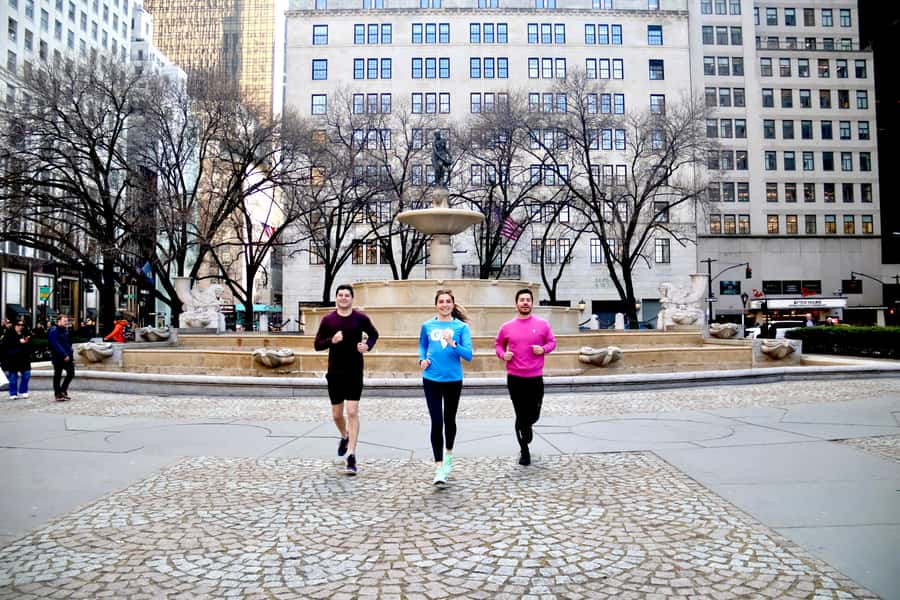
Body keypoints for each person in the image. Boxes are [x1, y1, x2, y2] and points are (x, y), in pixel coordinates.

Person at [313, 284, 379, 476]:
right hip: (335, 372)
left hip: (354, 370)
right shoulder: (328, 320)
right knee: (336, 414)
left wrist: (367, 345)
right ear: (336, 298)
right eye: (340, 295)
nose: (343, 298)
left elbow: (374, 334)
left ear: (352, 298)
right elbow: (317, 345)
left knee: (352, 412)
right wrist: (331, 341)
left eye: (346, 295)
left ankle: (351, 455)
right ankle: (344, 435)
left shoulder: (360, 318)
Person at [495, 289, 557, 466]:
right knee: (520, 414)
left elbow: (552, 342)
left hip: (535, 377)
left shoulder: (543, 324)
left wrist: (543, 349)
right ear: (516, 304)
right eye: (522, 300)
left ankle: (529, 425)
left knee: (534, 413)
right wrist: (502, 354)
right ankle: (524, 451)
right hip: (515, 377)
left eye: (528, 300)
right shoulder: (507, 327)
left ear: (532, 303)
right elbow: (499, 344)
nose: (525, 303)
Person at [418, 289, 473, 485]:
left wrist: (453, 343)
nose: (444, 304)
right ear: (436, 305)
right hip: (431, 379)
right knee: (436, 422)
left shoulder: (461, 328)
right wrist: (421, 360)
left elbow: (468, 355)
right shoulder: (427, 325)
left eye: (448, 301)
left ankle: (448, 453)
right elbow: (422, 345)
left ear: (452, 304)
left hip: (453, 379)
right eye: (441, 301)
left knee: (449, 420)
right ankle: (439, 467)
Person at [1, 321, 32, 400]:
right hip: (13, 358)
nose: (21, 326)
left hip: (24, 358)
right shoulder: (9, 334)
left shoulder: (25, 333)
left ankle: (23, 390)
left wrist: (27, 342)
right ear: (15, 325)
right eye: (19, 325)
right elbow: (5, 345)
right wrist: (18, 342)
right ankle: (13, 393)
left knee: (27, 374)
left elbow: (30, 343)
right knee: (13, 376)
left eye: (22, 325)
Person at [48, 315, 75, 401]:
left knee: (71, 373)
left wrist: (70, 354)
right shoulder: (54, 330)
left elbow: (68, 343)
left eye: (66, 321)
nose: (66, 322)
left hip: (67, 356)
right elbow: (55, 344)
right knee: (57, 375)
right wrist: (64, 355)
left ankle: (63, 391)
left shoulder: (65, 330)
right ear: (58, 321)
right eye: (64, 321)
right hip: (58, 357)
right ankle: (58, 394)